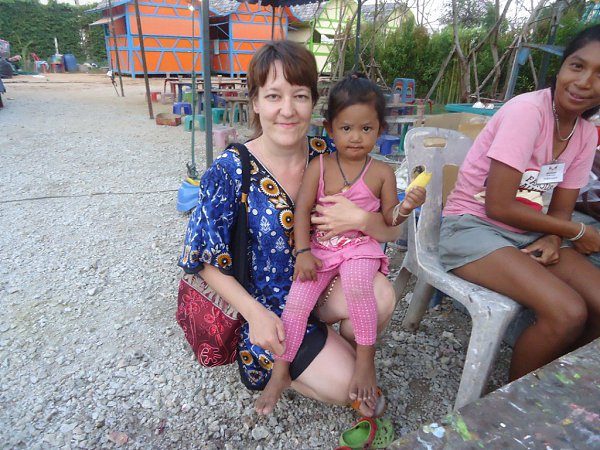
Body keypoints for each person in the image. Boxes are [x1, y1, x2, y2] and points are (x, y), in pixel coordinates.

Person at [178, 41, 403, 417]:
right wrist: (254, 313)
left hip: (321, 280)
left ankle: (342, 353)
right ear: (255, 102)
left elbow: (392, 232)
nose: (287, 109)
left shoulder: (330, 154)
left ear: (313, 102)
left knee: (382, 296)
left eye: (299, 96)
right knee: (342, 386)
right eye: (273, 96)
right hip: (267, 307)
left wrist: (363, 220)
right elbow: (200, 257)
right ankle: (291, 362)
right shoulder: (230, 170)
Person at [254, 74, 426, 415]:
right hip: (320, 250)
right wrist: (303, 252)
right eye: (346, 128)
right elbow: (302, 210)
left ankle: (364, 360)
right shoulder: (319, 166)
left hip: (360, 250)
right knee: (297, 302)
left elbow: (390, 220)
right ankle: (281, 369)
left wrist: (406, 207)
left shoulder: (381, 173)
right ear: (330, 129)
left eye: (366, 128)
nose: (356, 137)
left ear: (380, 130)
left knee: (359, 286)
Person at [439, 24, 600, 382]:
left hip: (527, 230)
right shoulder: (527, 112)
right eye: (577, 66)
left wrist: (555, 237)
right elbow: (497, 206)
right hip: (470, 225)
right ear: (562, 67)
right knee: (568, 312)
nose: (584, 82)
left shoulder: (586, 134)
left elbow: (560, 208)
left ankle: (557, 385)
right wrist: (576, 231)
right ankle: (515, 403)